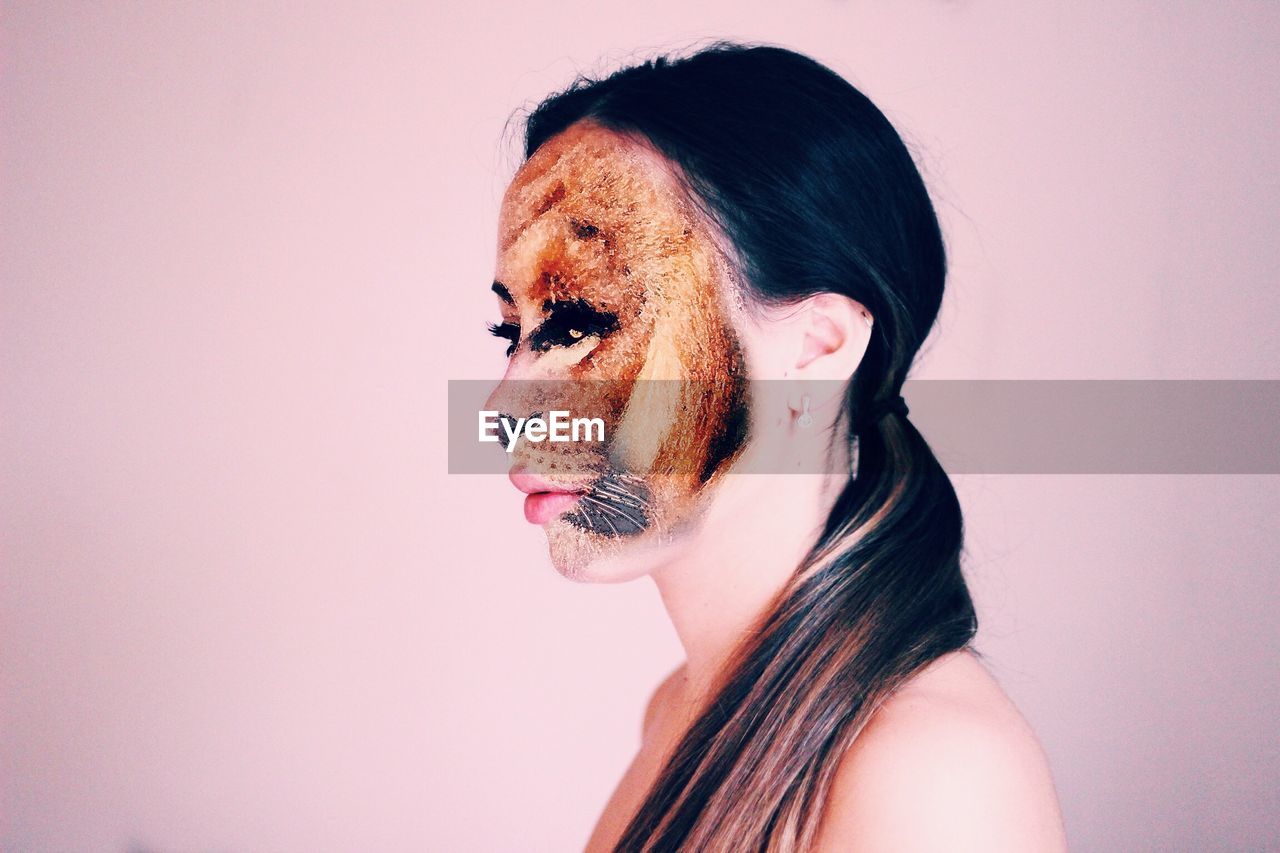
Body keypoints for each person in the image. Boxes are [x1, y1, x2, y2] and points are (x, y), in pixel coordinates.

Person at [482, 40, 1068, 852]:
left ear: (821, 346)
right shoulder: (678, 709)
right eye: (511, 332)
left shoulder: (933, 775)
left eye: (582, 322)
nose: (507, 409)